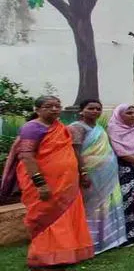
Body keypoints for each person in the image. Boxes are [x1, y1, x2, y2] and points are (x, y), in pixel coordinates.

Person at [14, 96, 94, 268]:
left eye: (57, 106)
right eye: (49, 106)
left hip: (67, 185)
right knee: (47, 220)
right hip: (45, 184)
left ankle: (63, 255)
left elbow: (71, 151)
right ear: (37, 110)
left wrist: (82, 173)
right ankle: (43, 257)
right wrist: (40, 183)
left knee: (66, 220)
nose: (55, 109)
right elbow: (27, 156)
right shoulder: (31, 127)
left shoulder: (61, 128)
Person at [69, 99, 128, 254]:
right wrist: (83, 173)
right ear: (81, 111)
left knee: (110, 202)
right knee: (92, 205)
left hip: (108, 174)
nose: (95, 111)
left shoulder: (99, 128)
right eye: (91, 108)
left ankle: (112, 239)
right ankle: (92, 241)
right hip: (90, 173)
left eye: (98, 109)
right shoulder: (76, 127)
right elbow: (75, 152)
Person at [106, 103, 134, 242]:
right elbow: (120, 151)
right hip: (124, 169)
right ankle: (128, 233)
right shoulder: (114, 129)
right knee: (127, 199)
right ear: (120, 115)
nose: (133, 115)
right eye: (129, 113)